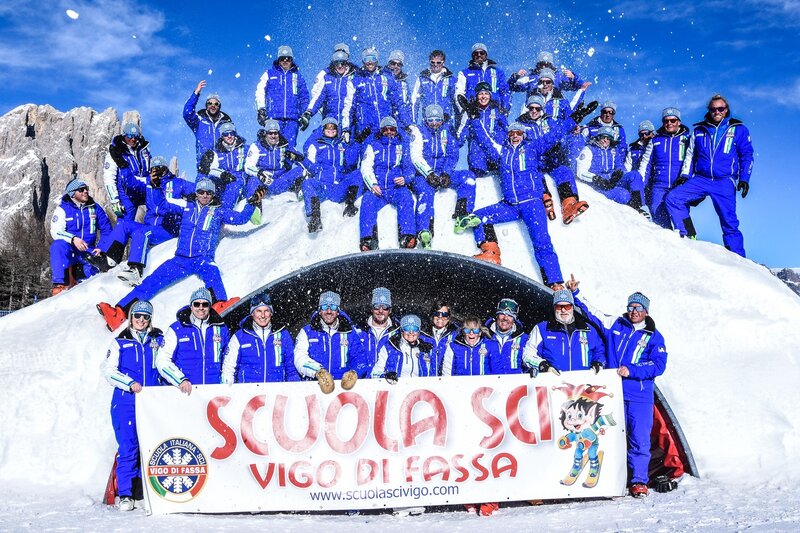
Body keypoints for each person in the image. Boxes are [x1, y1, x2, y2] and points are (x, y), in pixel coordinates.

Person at [453, 100, 596, 284]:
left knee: (542, 243)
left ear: (524, 135)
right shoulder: (501, 152)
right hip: (510, 205)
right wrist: (474, 117)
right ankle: (490, 252)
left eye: (519, 133)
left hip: (532, 204)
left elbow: (555, 134)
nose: (515, 136)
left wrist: (575, 117)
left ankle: (555, 283)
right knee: (478, 217)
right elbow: (484, 138)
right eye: (512, 133)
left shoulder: (532, 148)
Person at [96, 178, 264, 331]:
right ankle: (118, 313)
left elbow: (240, 218)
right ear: (196, 193)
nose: (204, 195)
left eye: (208, 192)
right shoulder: (187, 207)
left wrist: (252, 202)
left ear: (213, 194)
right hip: (180, 259)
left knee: (213, 274)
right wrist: (155, 187)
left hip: (203, 258)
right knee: (151, 282)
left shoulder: (219, 211)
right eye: (201, 192)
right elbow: (163, 205)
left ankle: (220, 305)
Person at [569, 275, 668, 498]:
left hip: (639, 396)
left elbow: (658, 365)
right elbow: (593, 313)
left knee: (639, 439)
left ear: (646, 311)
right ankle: (610, 481)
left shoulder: (654, 336)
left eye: (638, 308)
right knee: (609, 437)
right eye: (631, 307)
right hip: (613, 393)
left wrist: (632, 370)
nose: (634, 311)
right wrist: (575, 294)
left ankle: (639, 481)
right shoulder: (616, 324)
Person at [666, 94, 753, 257]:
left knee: (729, 222)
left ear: (726, 110)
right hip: (702, 179)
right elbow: (691, 154)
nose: (717, 112)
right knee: (673, 198)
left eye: (720, 108)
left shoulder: (738, 129)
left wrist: (744, 179)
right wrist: (684, 175)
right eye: (713, 109)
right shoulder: (699, 130)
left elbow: (746, 155)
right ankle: (687, 236)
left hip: (724, 181)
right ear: (709, 110)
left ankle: (739, 260)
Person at [89, 156, 193, 286]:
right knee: (123, 224)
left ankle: (136, 270)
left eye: (160, 169)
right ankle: (109, 259)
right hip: (150, 226)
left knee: (142, 233)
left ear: (166, 169)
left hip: (168, 229)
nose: (157, 172)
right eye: (153, 169)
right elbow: (131, 182)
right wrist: (123, 166)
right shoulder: (148, 183)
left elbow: (201, 191)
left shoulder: (178, 183)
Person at [103, 300, 162, 511]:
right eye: (138, 316)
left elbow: (164, 366)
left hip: (151, 402)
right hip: (126, 401)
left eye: (146, 317)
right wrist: (129, 383)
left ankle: (141, 492)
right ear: (131, 317)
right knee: (129, 447)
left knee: (149, 446)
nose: (141, 320)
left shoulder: (158, 340)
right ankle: (125, 494)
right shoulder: (120, 342)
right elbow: (109, 371)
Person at [440, 315, 501, 516]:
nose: (471, 334)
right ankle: (469, 495)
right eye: (467, 330)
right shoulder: (454, 347)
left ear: (480, 331)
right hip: (462, 405)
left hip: (486, 407)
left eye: (475, 330)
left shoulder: (490, 346)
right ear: (463, 332)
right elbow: (446, 375)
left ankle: (490, 498)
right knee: (466, 451)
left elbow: (500, 374)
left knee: (488, 451)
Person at [516, 93, 589, 224]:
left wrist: (559, 144)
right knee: (535, 175)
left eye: (537, 108)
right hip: (534, 161)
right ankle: (545, 199)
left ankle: (569, 205)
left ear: (542, 109)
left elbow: (560, 132)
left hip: (550, 159)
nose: (534, 111)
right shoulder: (521, 124)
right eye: (531, 108)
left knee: (564, 172)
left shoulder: (549, 121)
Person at [409, 104, 475, 247]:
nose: (434, 123)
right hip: (424, 175)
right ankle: (425, 231)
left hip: (442, 172)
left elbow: (452, 154)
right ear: (426, 120)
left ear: (442, 120)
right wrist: (428, 174)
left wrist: (446, 172)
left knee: (468, 177)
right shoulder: (419, 132)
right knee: (425, 192)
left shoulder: (447, 131)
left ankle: (462, 214)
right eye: (430, 120)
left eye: (437, 119)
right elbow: (415, 156)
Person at [359, 117, 417, 251]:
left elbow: (409, 168)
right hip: (378, 189)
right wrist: (372, 184)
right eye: (385, 129)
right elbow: (366, 167)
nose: (389, 132)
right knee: (367, 201)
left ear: (396, 130)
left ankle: (407, 236)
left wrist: (405, 178)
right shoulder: (373, 145)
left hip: (395, 188)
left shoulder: (402, 146)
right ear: (381, 131)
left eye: (392, 129)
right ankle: (368, 240)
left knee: (406, 197)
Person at [294, 290, 369, 393]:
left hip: (342, 391)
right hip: (314, 389)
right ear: (320, 311)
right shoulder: (307, 332)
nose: (329, 311)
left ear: (338, 311)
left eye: (333, 307)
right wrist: (318, 371)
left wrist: (355, 373)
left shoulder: (350, 332)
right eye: (325, 307)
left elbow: (359, 358)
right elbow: (299, 357)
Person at [156, 288, 231, 391]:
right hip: (185, 391)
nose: (201, 308)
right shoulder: (177, 329)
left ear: (210, 306)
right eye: (196, 304)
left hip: (212, 391)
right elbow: (162, 359)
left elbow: (228, 360)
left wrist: (225, 384)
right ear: (191, 306)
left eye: (205, 304)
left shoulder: (221, 328)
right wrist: (180, 380)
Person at [49, 178, 112, 295]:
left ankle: (80, 283)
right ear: (73, 193)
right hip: (70, 249)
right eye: (81, 189)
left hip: (88, 250)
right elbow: (56, 231)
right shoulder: (62, 209)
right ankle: (60, 284)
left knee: (92, 277)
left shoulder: (95, 208)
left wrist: (102, 247)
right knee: (58, 245)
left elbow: (107, 230)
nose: (85, 191)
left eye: (86, 188)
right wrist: (73, 239)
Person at [521, 289, 605, 375]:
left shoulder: (588, 330)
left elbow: (600, 352)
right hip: (553, 381)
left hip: (582, 381)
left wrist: (598, 362)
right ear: (554, 308)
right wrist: (542, 365)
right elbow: (528, 354)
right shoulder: (541, 329)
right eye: (559, 306)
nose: (563, 310)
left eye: (567, 306)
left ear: (572, 307)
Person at [301, 117, 362, 232]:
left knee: (357, 173)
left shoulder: (341, 145)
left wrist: (357, 143)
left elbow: (350, 163)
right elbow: (311, 168)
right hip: (323, 188)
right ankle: (315, 217)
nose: (331, 130)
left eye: (333, 128)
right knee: (308, 183)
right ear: (323, 129)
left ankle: (350, 205)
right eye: (328, 127)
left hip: (339, 188)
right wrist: (302, 160)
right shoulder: (316, 145)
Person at [221, 292, 298, 384]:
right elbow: (228, 369)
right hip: (249, 391)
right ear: (252, 313)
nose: (263, 315)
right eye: (259, 311)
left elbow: (291, 369)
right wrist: (228, 389)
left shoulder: (283, 335)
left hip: (276, 390)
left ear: (271, 313)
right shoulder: (240, 337)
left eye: (266, 311)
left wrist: (294, 388)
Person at [576, 126, 650, 218]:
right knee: (624, 194)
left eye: (608, 138)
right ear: (598, 137)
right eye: (603, 137)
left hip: (612, 181)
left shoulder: (613, 151)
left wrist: (618, 174)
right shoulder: (589, 149)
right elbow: (581, 171)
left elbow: (620, 166)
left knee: (635, 175)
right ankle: (634, 212)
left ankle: (640, 206)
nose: (605, 140)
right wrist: (596, 179)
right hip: (598, 184)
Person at [342, 47, 412, 143]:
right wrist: (346, 129)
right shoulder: (356, 80)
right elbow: (349, 106)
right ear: (363, 61)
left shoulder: (386, 78)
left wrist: (408, 124)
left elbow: (398, 103)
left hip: (385, 129)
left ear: (377, 60)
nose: (370, 62)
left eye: (373, 58)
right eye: (367, 59)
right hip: (365, 131)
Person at [637, 109, 691, 229]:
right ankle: (666, 239)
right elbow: (645, 164)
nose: (669, 123)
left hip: (679, 185)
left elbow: (692, 161)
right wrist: (640, 184)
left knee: (681, 215)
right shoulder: (655, 140)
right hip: (659, 186)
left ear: (679, 122)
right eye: (666, 121)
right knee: (658, 218)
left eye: (673, 120)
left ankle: (688, 237)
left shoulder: (687, 139)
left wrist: (689, 181)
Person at [255, 45, 310, 148]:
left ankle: (288, 159)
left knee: (289, 147)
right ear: (278, 60)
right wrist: (261, 109)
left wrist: (305, 114)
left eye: (288, 59)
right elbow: (260, 91)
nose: (285, 61)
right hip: (274, 118)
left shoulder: (297, 76)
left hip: (292, 119)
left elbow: (304, 97)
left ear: (291, 60)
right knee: (273, 146)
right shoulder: (269, 74)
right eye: (282, 58)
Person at [244, 119, 307, 206]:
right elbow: (248, 166)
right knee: (253, 180)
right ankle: (253, 204)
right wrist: (259, 173)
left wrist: (295, 157)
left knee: (300, 171)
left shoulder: (285, 145)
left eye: (275, 133)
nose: (273, 136)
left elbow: (302, 161)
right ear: (266, 133)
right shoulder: (257, 146)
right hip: (264, 182)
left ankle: (302, 196)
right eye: (270, 133)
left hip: (280, 181)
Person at [458, 81, 508, 177]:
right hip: (477, 153)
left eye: (486, 93)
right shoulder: (470, 111)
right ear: (476, 96)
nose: (483, 96)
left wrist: (504, 144)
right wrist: (452, 146)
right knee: (479, 179)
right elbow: (462, 133)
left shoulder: (497, 110)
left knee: (498, 178)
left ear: (490, 95)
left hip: (494, 150)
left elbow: (506, 130)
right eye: (480, 93)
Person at [103, 122, 150, 221]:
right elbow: (109, 176)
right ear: (124, 135)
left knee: (156, 215)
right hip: (127, 195)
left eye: (136, 137)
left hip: (144, 189)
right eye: (129, 136)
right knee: (125, 224)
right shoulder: (116, 151)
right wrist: (114, 200)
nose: (133, 139)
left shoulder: (143, 149)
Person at [198, 122, 249, 209]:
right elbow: (212, 168)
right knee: (207, 181)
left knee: (233, 186)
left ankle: (224, 211)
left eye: (231, 133)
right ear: (222, 136)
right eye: (226, 134)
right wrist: (222, 174)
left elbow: (251, 164)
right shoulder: (217, 151)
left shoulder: (245, 148)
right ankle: (204, 208)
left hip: (238, 178)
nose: (229, 136)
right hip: (223, 178)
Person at [303, 48, 358, 130]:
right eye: (337, 63)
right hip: (330, 118)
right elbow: (318, 97)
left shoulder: (354, 77)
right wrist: (309, 112)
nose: (340, 66)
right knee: (318, 137)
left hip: (349, 119)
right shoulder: (327, 77)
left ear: (347, 63)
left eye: (342, 63)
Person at [371, 314, 439, 379]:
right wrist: (386, 376)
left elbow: (434, 374)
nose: (411, 332)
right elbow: (375, 373)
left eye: (415, 328)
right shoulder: (390, 347)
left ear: (419, 331)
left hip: (420, 386)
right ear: (402, 330)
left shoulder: (426, 349)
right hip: (395, 385)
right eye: (407, 328)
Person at [183, 81, 233, 167]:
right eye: (210, 103)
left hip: (223, 167)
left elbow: (234, 143)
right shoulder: (199, 121)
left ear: (219, 107)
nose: (213, 105)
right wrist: (196, 93)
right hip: (205, 167)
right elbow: (187, 113)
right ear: (206, 105)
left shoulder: (226, 124)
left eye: (216, 104)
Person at [454, 43, 511, 116]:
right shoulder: (465, 73)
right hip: (473, 112)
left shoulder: (498, 72)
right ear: (472, 56)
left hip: (493, 112)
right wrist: (467, 109)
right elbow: (459, 93)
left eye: (482, 53)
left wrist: (505, 108)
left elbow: (505, 91)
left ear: (486, 55)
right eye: (476, 53)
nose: (479, 55)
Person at [508, 51, 585, 98]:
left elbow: (579, 87)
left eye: (547, 65)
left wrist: (573, 77)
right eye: (541, 65)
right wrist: (515, 76)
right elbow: (510, 87)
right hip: (534, 112)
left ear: (551, 66)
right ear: (537, 66)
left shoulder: (558, 78)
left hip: (553, 113)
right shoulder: (530, 79)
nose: (544, 67)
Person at [411, 50, 456, 124]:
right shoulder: (422, 79)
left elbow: (456, 103)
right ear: (429, 62)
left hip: (445, 123)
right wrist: (413, 123)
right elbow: (414, 101)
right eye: (433, 62)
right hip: (428, 122)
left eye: (438, 62)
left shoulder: (451, 79)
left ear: (443, 63)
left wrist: (457, 124)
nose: (435, 65)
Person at [485, 298, 528, 375]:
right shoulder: (484, 336)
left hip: (514, 381)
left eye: (510, 316)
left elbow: (529, 361)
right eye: (502, 314)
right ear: (497, 316)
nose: (505, 318)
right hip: (489, 381)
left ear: (514, 319)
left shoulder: (524, 339)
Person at [360, 287, 399, 371]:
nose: (380, 311)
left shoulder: (398, 331)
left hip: (387, 378)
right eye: (377, 306)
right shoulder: (360, 330)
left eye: (385, 307)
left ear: (390, 310)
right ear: (372, 309)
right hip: (364, 378)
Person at [385, 50, 413, 123]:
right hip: (386, 123)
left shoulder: (404, 83)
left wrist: (410, 122)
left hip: (401, 123)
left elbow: (408, 105)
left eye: (399, 64)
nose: (396, 66)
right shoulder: (382, 78)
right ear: (389, 64)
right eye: (393, 63)